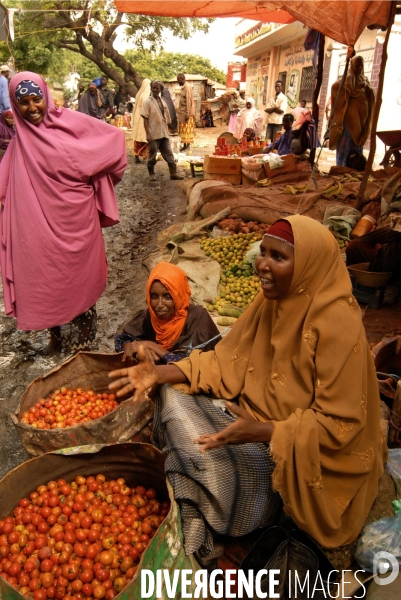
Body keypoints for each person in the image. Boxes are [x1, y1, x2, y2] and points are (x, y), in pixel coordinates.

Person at [109, 215, 385, 562]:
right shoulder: (270, 301)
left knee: (205, 465)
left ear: (309, 265)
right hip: (251, 418)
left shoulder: (337, 324)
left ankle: (226, 505)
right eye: (263, 252)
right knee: (173, 395)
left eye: (278, 257)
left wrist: (266, 432)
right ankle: (198, 482)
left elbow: (340, 426)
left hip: (303, 454)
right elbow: (226, 360)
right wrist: (159, 375)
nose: (262, 266)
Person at [0, 72, 127, 352]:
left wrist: (88, 172)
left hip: (77, 221)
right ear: (13, 104)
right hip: (37, 228)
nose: (32, 108)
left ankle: (83, 343)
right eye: (23, 102)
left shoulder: (69, 122)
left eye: (37, 99)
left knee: (79, 277)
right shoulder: (19, 143)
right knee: (47, 277)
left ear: (46, 96)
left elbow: (114, 140)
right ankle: (55, 339)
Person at [115, 262, 221, 364]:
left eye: (167, 297)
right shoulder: (148, 317)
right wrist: (137, 349)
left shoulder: (198, 319)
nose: (160, 304)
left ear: (178, 296)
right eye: (154, 296)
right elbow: (122, 340)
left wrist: (152, 346)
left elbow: (187, 365)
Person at [329, 56, 375, 167]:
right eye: (357, 65)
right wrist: (348, 93)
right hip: (350, 121)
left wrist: (367, 88)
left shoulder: (364, 79)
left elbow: (372, 94)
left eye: (361, 66)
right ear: (352, 66)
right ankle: (341, 168)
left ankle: (355, 168)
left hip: (360, 121)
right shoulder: (349, 78)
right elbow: (336, 87)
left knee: (356, 148)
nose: (359, 68)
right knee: (346, 145)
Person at [141, 80, 184, 182]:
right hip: (153, 132)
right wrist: (147, 133)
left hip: (163, 132)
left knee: (168, 153)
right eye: (153, 88)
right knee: (153, 154)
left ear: (160, 89)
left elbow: (167, 117)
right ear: (151, 89)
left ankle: (173, 173)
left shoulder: (162, 101)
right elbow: (145, 119)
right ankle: (151, 173)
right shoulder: (147, 102)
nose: (155, 90)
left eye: (157, 88)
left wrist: (168, 128)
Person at [132, 78, 151, 164]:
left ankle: (136, 156)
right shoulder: (146, 95)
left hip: (137, 118)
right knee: (145, 138)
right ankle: (145, 157)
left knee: (137, 137)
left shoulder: (138, 94)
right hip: (144, 119)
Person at [177, 73, 195, 152]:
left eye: (178, 80)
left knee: (187, 129)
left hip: (186, 112)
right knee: (183, 130)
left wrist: (187, 113)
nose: (178, 82)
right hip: (182, 112)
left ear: (181, 79)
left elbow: (189, 101)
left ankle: (187, 146)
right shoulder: (184, 87)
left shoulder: (187, 87)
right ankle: (184, 145)